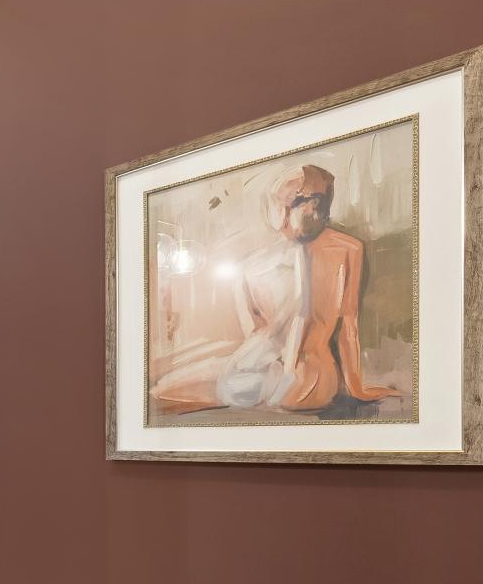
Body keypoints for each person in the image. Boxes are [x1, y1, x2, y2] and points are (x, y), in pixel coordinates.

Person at [150, 163, 402, 415]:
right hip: (300, 378)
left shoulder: (259, 264)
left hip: (293, 379)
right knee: (165, 391)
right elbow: (346, 327)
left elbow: (260, 332)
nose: (282, 215)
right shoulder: (345, 249)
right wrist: (357, 387)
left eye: (289, 204)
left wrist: (356, 388)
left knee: (166, 393)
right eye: (282, 204)